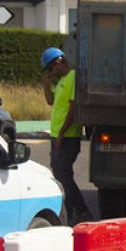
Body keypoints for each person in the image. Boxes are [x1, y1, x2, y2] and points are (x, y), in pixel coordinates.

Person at [41, 47, 92, 224]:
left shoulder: (73, 78)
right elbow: (50, 100)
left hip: (68, 136)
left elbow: (73, 108)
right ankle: (72, 210)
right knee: (61, 175)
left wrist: (62, 133)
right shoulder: (62, 81)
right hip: (57, 135)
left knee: (63, 176)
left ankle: (81, 210)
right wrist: (46, 83)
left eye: (50, 68)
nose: (50, 72)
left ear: (58, 62)